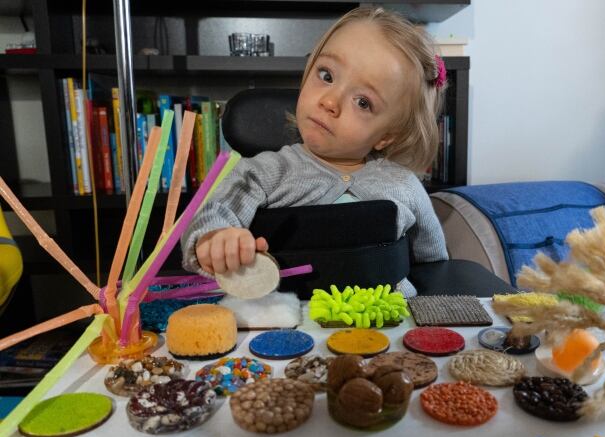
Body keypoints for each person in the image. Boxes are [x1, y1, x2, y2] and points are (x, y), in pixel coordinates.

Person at [181, 7, 449, 296]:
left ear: (386, 136)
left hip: (388, 327)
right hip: (287, 327)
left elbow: (434, 266)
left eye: (363, 102)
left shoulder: (404, 186)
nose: (330, 101)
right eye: (326, 75)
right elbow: (213, 212)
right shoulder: (262, 172)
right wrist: (215, 240)